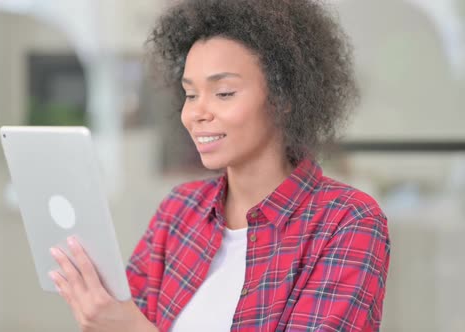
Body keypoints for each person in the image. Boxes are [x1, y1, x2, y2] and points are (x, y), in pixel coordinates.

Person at [48, 0, 391, 331]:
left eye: (224, 93)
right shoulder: (178, 211)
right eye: (191, 94)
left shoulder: (347, 222)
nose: (197, 113)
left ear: (283, 98)